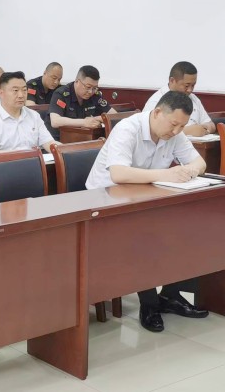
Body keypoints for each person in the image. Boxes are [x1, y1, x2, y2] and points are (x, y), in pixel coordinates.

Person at [86, 91, 208, 333]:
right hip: (105, 205)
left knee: (193, 229)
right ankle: (149, 306)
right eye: (173, 124)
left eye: (182, 126)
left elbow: (200, 163)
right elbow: (119, 173)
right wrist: (167, 174)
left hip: (146, 200)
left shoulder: (174, 132)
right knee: (145, 236)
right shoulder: (128, 128)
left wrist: (188, 172)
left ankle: (171, 295)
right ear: (157, 113)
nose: (176, 131)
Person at [0, 71, 58, 154]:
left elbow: (49, 143)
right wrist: (23, 157)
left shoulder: (34, 116)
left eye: (24, 90)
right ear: (1, 93)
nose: (21, 95)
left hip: (33, 161)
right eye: (15, 90)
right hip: (8, 162)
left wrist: (64, 151)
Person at [142, 61, 215, 136]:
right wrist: (188, 131)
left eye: (193, 85)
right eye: (186, 86)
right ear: (172, 81)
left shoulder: (193, 98)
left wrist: (204, 129)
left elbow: (211, 125)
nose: (190, 90)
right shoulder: (156, 101)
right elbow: (149, 129)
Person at [45, 65, 115, 139]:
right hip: (58, 140)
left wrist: (96, 119)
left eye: (94, 88)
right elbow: (55, 121)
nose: (90, 91)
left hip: (82, 138)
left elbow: (114, 115)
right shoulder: (61, 94)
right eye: (88, 87)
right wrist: (84, 122)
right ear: (77, 81)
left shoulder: (95, 95)